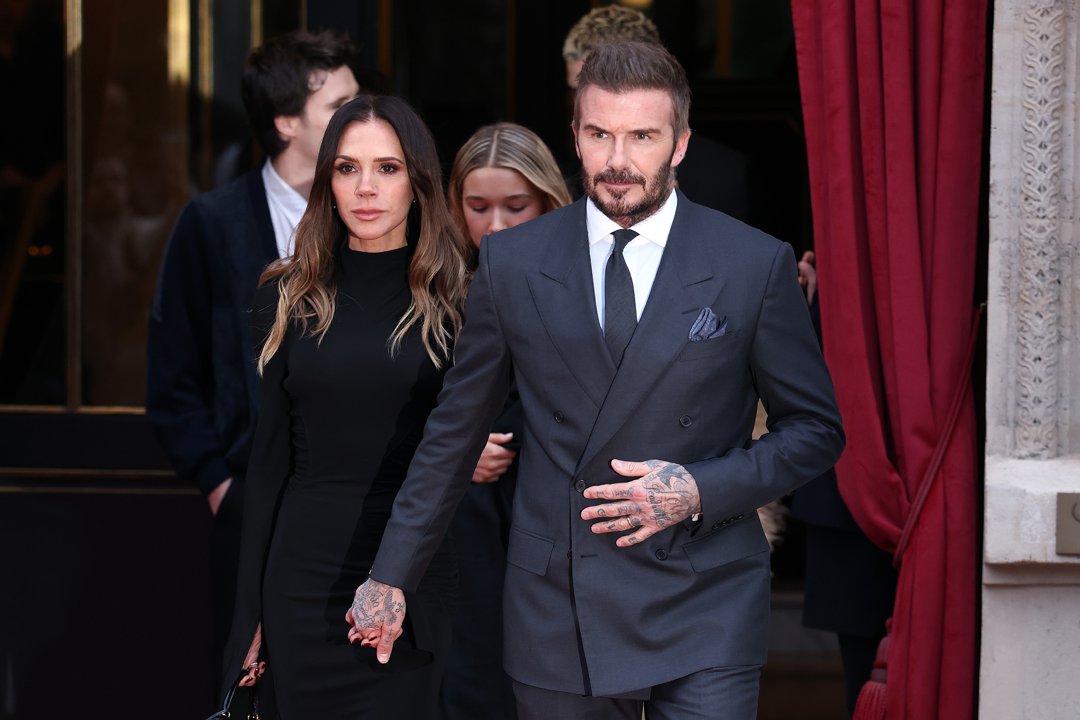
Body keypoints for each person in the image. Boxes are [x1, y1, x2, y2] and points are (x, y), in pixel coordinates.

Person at [348, 41, 844, 720]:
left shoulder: (752, 264)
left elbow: (816, 431)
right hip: (559, 598)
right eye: (599, 134)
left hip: (706, 592)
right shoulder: (514, 263)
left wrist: (700, 489)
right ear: (575, 139)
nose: (618, 160)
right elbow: (454, 431)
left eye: (642, 136)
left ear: (680, 143)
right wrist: (390, 574)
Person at [222, 93, 474, 718]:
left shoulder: (461, 301)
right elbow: (269, 465)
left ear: (418, 183)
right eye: (346, 167)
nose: (366, 188)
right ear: (327, 181)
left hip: (411, 579)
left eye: (387, 168)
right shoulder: (286, 296)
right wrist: (248, 615)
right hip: (300, 582)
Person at [146, 30, 359, 695]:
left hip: (363, 501)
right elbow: (172, 374)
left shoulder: (374, 214)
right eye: (342, 108)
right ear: (287, 122)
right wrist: (219, 486)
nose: (362, 121)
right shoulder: (212, 224)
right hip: (251, 503)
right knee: (254, 686)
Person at [441, 122, 571, 720]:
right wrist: (455, 453)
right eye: (478, 206)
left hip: (554, 528)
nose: (495, 224)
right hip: (460, 536)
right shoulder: (430, 289)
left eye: (515, 207)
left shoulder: (586, 283)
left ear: (548, 201)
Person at [561, 4, 750, 221]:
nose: (578, 103)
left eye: (642, 136)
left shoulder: (718, 173)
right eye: (574, 89)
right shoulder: (565, 175)